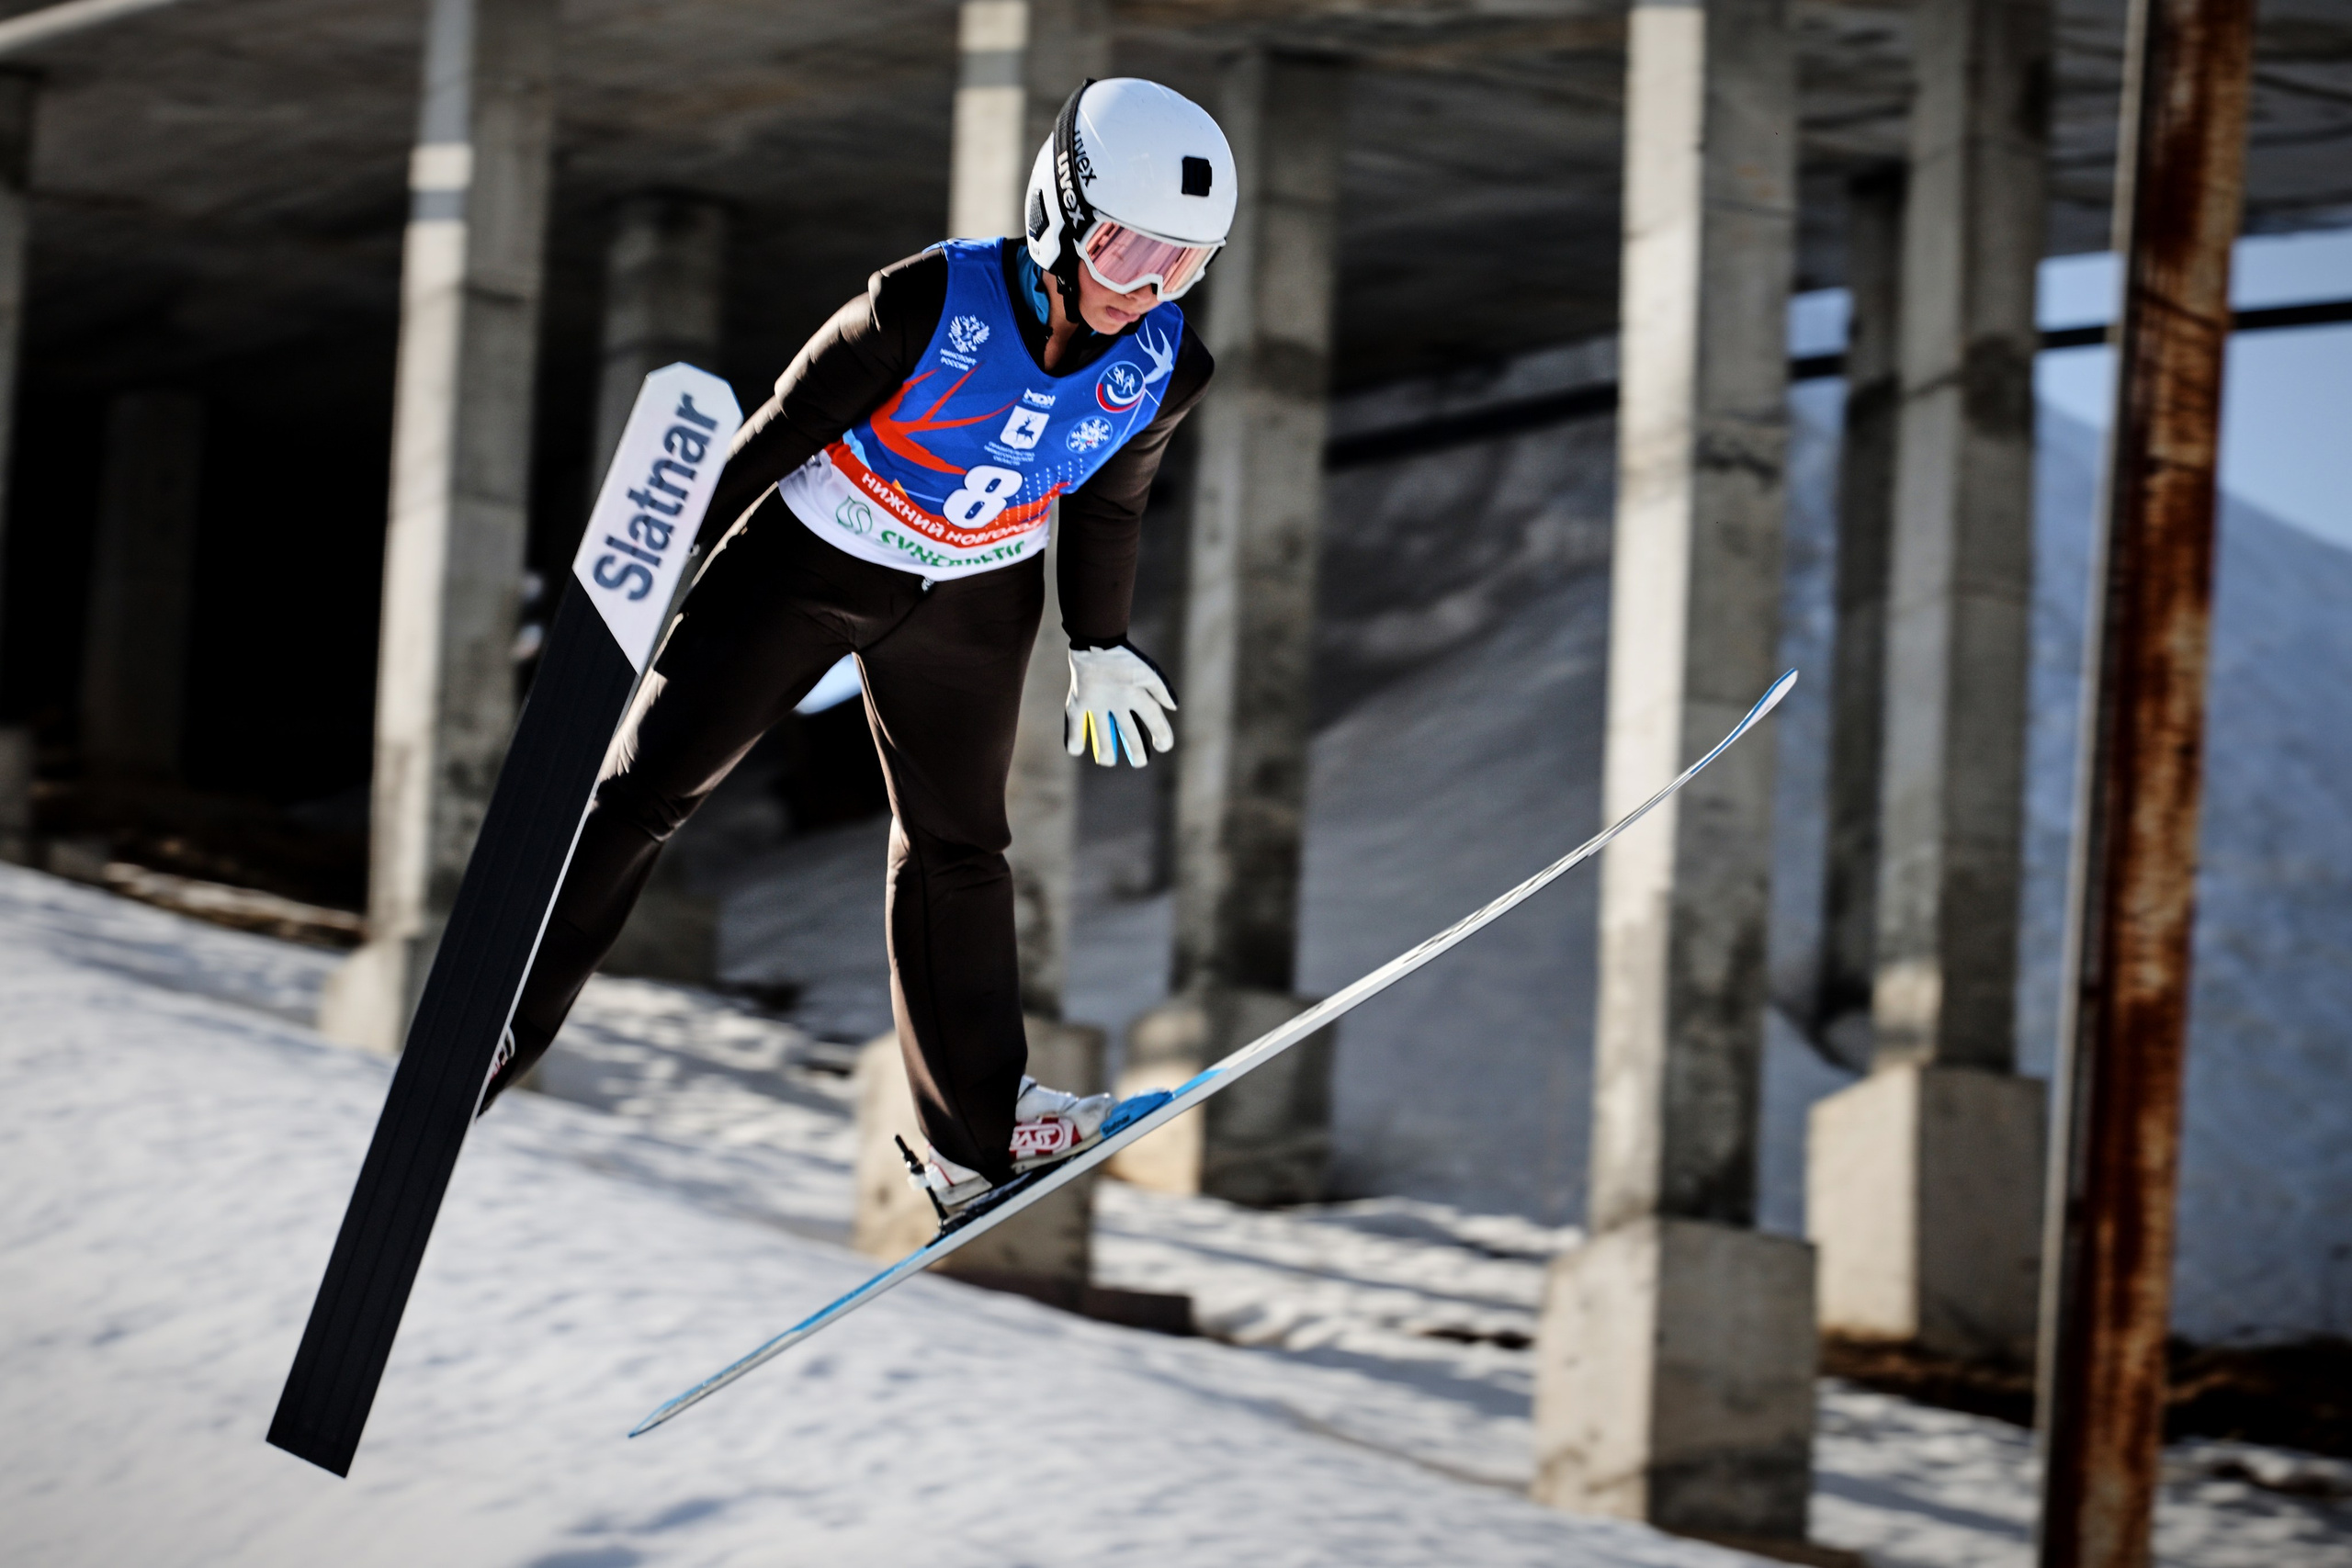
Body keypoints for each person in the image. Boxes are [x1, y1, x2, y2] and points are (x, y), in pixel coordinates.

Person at [480, 78, 1235, 1217]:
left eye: (1181, 265)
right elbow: (772, 434)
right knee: (649, 793)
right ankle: (502, 1022)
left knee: (959, 848)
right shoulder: (924, 302)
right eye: (1129, 251)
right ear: (1061, 211)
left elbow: (1108, 506)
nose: (1148, 290)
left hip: (974, 599)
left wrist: (1101, 640)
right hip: (812, 558)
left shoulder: (1165, 365)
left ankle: (976, 1137)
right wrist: (643, 576)